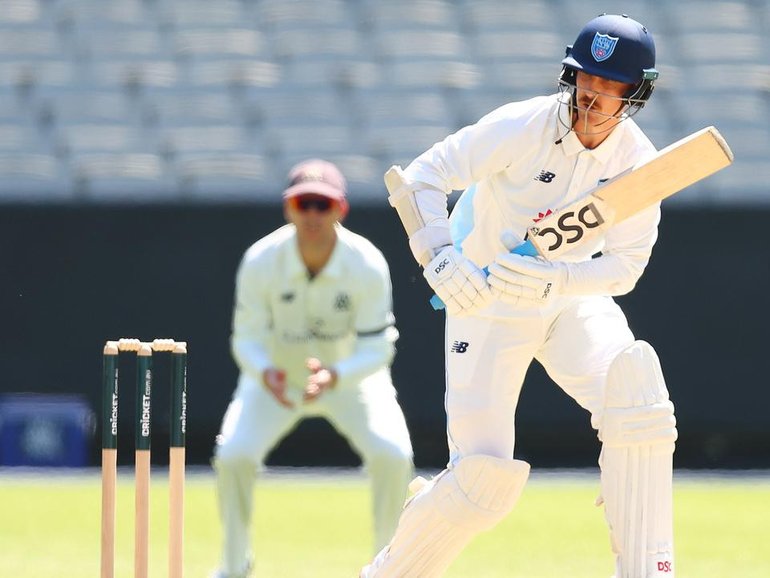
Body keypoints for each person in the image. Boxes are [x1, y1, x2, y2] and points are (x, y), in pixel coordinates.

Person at [362, 13, 678, 578]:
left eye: (609, 88)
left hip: (569, 300)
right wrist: (438, 255)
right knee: (481, 484)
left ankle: (647, 569)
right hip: (486, 303)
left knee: (640, 403)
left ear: (636, 94)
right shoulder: (523, 126)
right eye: (585, 82)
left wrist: (560, 281)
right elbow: (422, 176)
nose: (592, 98)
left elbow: (626, 266)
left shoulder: (639, 164)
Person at [211, 159, 414, 578]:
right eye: (304, 203)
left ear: (341, 209)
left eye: (323, 204)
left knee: (394, 456)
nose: (313, 215)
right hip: (276, 382)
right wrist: (266, 371)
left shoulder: (367, 262)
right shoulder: (261, 259)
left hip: (349, 380)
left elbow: (379, 345)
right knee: (233, 455)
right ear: (289, 208)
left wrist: (336, 375)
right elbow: (244, 338)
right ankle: (233, 566)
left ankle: (390, 567)